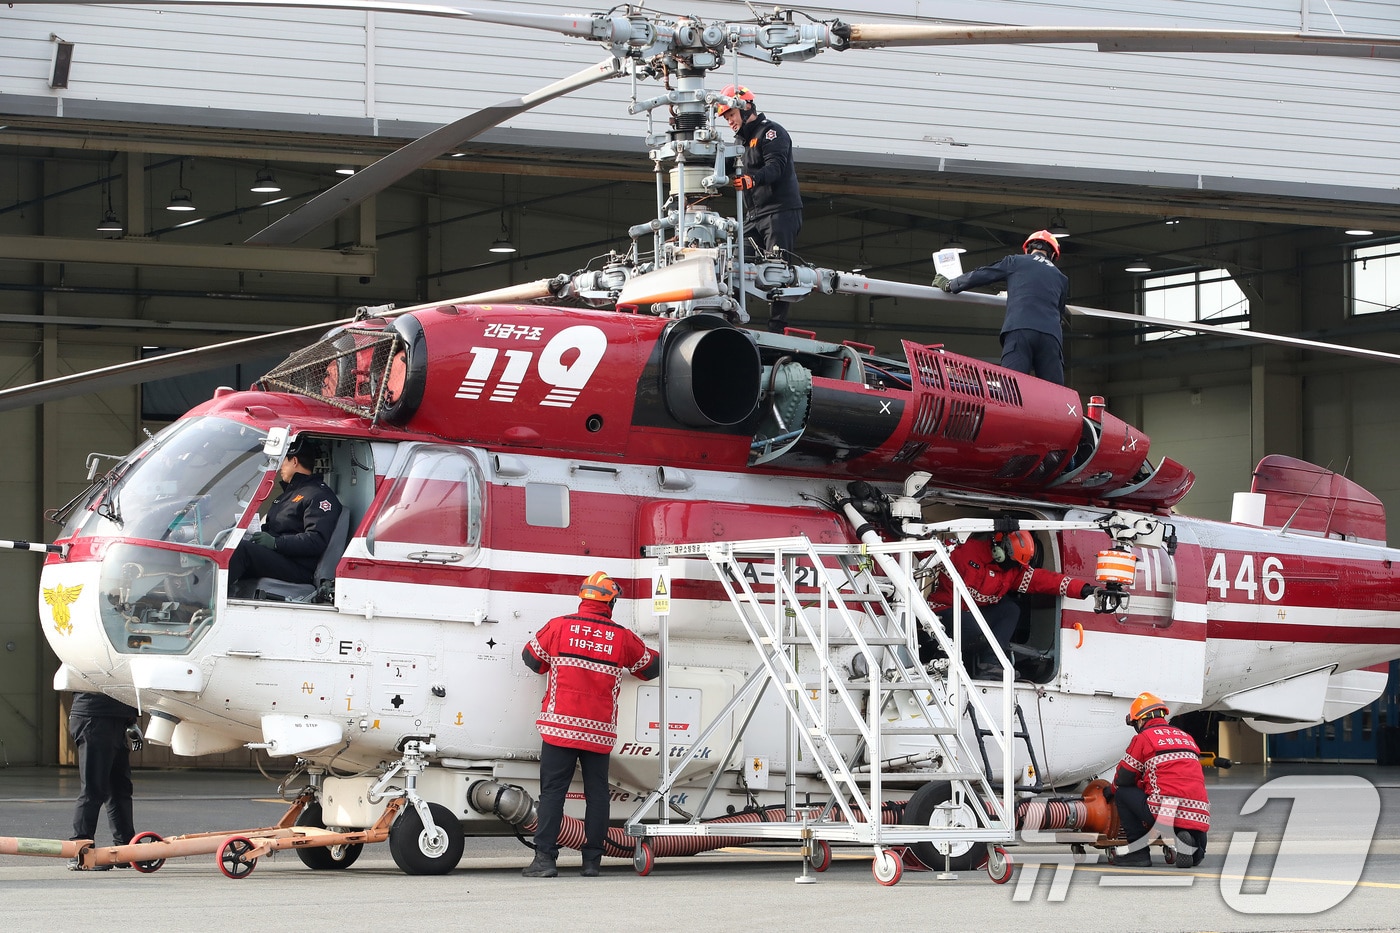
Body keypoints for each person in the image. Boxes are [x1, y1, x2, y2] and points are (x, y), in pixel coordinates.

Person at [520, 572, 661, 878]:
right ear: (611, 602)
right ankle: (592, 862)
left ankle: (545, 860)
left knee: (552, 794)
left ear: (583, 597)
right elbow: (651, 668)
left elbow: (531, 660)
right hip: (598, 731)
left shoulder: (558, 626)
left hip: (559, 728)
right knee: (597, 795)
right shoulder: (621, 637)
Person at [919, 530, 1097, 678]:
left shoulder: (1012, 571)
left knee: (1010, 610)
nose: (1012, 566)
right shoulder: (963, 550)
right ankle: (938, 657)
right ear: (999, 548)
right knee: (970, 626)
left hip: (971, 616)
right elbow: (925, 551)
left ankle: (989, 663)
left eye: (1016, 564)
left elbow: (1045, 580)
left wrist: (1082, 589)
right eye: (1011, 562)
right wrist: (912, 531)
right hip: (943, 611)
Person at [717, 84, 804, 333]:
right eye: (726, 118)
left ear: (746, 108)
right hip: (754, 215)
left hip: (780, 211)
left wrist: (752, 180)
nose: (729, 122)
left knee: (778, 268)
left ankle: (777, 327)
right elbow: (723, 167)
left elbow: (776, 167)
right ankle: (729, 318)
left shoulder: (772, 133)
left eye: (731, 115)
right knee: (735, 263)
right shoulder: (739, 142)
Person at [935, 230, 1071, 384]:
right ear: (1052, 255)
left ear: (1028, 249)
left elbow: (982, 274)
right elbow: (1060, 312)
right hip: (1051, 337)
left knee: (1012, 389)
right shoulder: (1061, 278)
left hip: (1020, 330)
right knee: (1054, 393)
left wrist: (951, 284)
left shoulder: (1015, 261)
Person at [1110, 691, 1210, 868]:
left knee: (1122, 793)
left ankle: (1138, 853)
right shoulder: (1186, 737)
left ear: (1140, 720)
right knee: (1193, 843)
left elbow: (1124, 777)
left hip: (1164, 810)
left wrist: (1110, 791)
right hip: (1198, 812)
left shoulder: (1144, 738)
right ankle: (1195, 848)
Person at [228, 437, 342, 589]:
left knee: (242, 551)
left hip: (298, 567)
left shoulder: (319, 495)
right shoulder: (288, 495)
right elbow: (274, 529)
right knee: (228, 545)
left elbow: (316, 540)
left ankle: (207, 597)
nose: (280, 467)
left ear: (294, 461)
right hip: (281, 557)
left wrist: (276, 543)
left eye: (283, 461)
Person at [68, 691, 141, 869]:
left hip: (115, 718)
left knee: (120, 790)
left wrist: (130, 721)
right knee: (93, 789)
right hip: (94, 716)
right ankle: (81, 852)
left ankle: (125, 849)